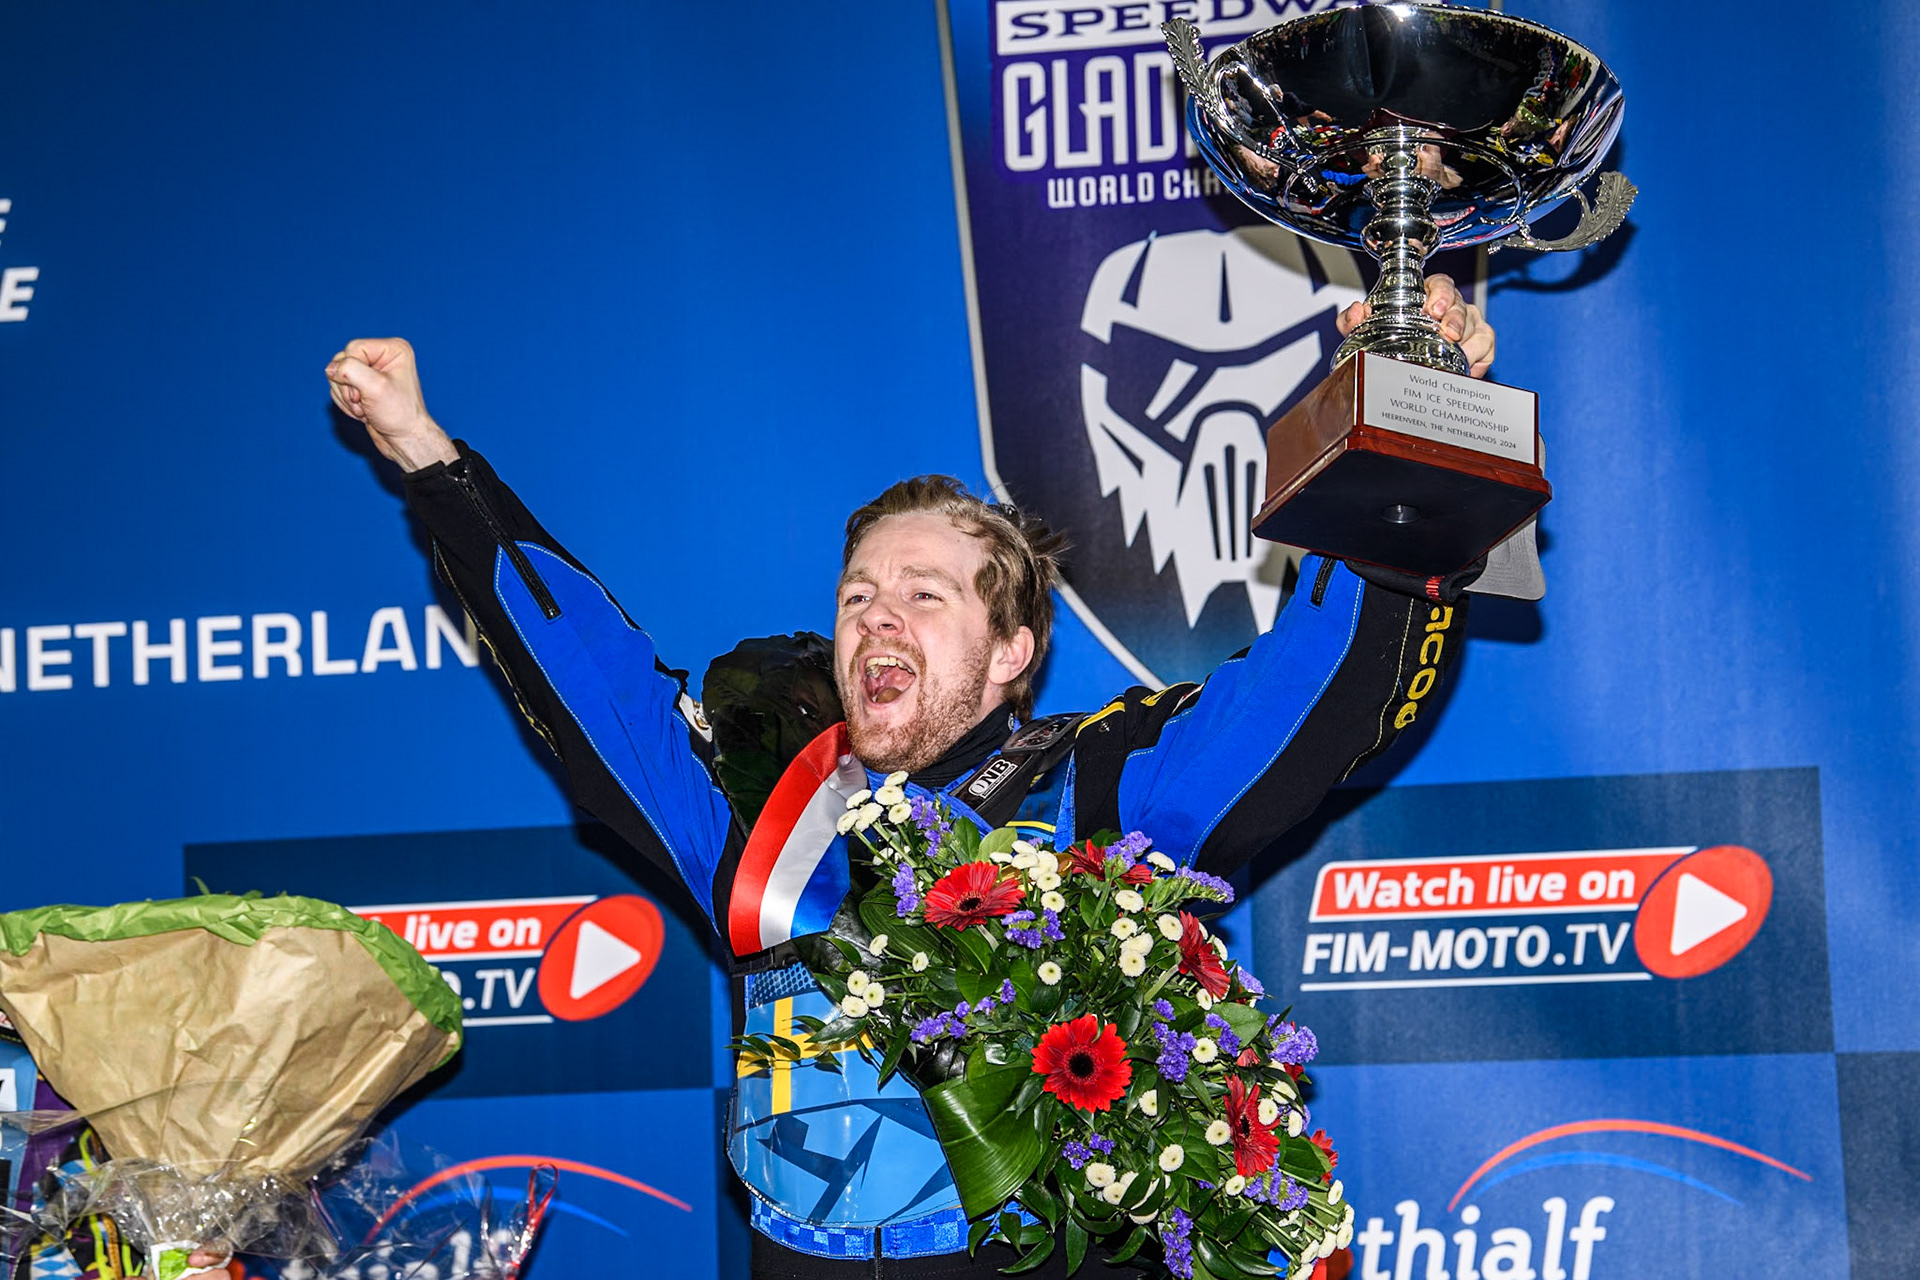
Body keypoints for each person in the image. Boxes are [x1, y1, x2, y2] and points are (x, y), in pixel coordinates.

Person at [324, 279, 1494, 1280]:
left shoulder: (1106, 784)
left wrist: (1408, 434)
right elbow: (600, 688)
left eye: (924, 594)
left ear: (1011, 652)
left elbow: (1317, 686)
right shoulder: (761, 809)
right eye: (856, 596)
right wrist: (432, 463)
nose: (876, 613)